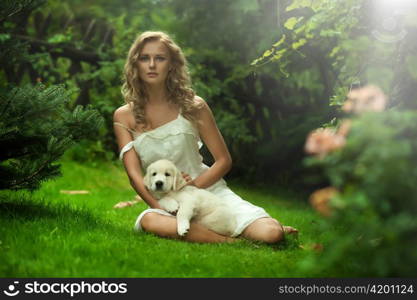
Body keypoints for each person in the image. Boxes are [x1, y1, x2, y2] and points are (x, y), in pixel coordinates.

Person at [113, 31, 298, 244]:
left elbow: (223, 160)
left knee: (271, 234)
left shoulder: (194, 106)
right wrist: (160, 207)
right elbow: (135, 176)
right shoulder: (123, 116)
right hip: (165, 199)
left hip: (207, 191)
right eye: (145, 58)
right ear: (135, 64)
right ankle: (232, 242)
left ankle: (256, 229)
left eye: (160, 58)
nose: (152, 64)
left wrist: (193, 189)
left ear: (172, 64)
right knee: (151, 222)